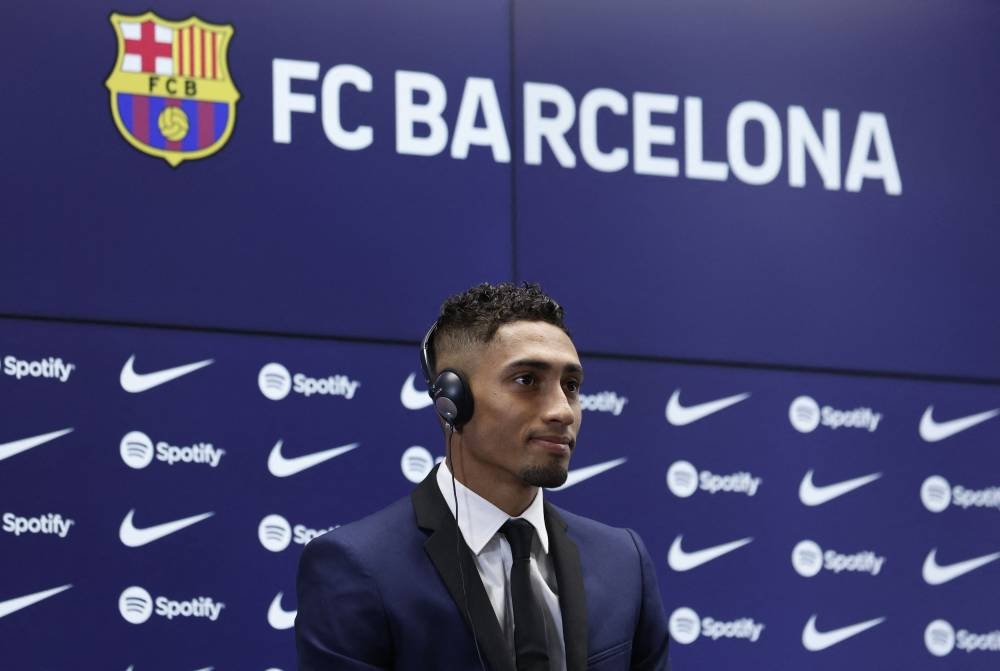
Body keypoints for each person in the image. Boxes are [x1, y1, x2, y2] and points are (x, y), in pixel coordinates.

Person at [295, 282, 670, 671]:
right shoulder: (357, 566)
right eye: (527, 380)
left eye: (571, 386)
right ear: (452, 401)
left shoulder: (624, 560)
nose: (563, 411)